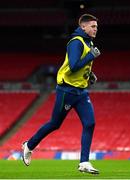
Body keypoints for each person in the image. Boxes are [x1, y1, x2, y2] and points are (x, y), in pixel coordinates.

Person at [22, 13, 100, 174]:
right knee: (55, 123)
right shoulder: (76, 42)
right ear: (83, 27)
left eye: (96, 27)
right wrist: (91, 56)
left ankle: (84, 162)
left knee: (90, 123)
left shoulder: (88, 42)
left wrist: (89, 75)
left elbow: (81, 66)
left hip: (81, 91)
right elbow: (72, 66)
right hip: (67, 90)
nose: (95, 29)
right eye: (92, 26)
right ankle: (29, 145)